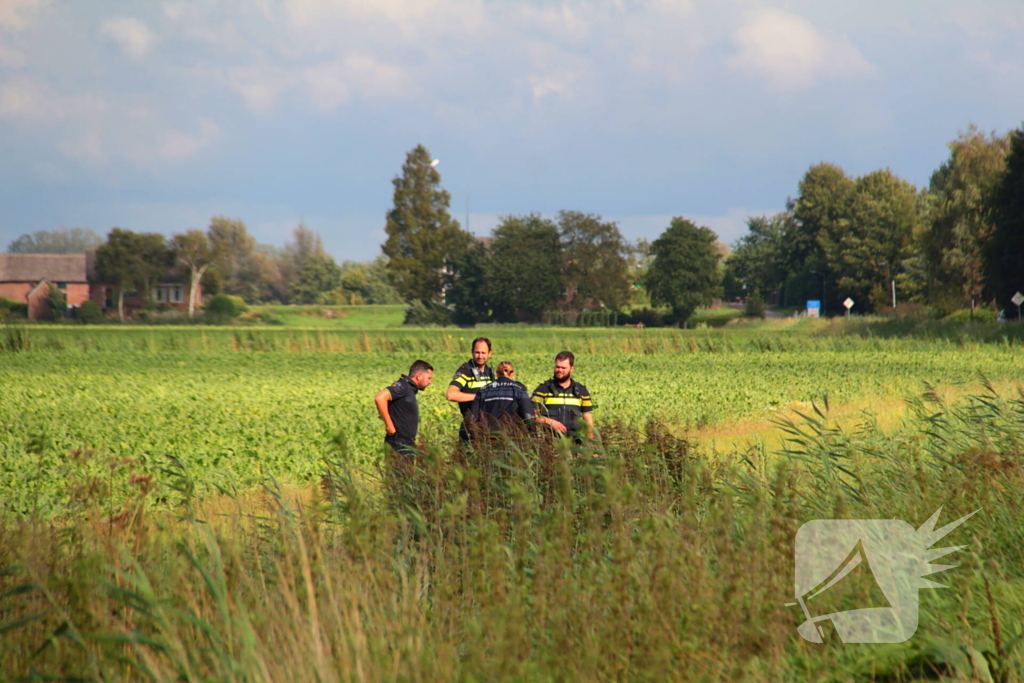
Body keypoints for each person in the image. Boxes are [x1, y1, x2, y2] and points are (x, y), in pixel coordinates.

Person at [374, 360, 433, 460]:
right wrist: (389, 425)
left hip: (405, 443)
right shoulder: (403, 386)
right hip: (398, 442)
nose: (430, 382)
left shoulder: (409, 389)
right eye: (429, 378)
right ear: (419, 376)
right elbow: (380, 398)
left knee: (406, 475)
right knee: (399, 475)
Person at [531, 351, 595, 442]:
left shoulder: (581, 391)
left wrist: (590, 445)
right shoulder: (543, 389)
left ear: (571, 368)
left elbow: (588, 421)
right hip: (549, 444)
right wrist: (549, 422)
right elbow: (530, 415)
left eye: (563, 368)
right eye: (557, 367)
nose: (559, 370)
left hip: (573, 444)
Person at [446, 337, 495, 441]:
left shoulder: (489, 372)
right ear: (472, 352)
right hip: (470, 426)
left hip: (487, 427)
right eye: (477, 352)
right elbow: (451, 394)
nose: (480, 356)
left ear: (490, 353)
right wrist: (479, 396)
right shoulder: (465, 371)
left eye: (483, 353)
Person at [469, 361, 535, 435]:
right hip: (512, 437)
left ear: (497, 373)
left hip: (487, 438)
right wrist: (533, 433)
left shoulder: (483, 390)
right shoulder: (519, 389)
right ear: (512, 373)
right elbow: (528, 416)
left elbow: (472, 418)